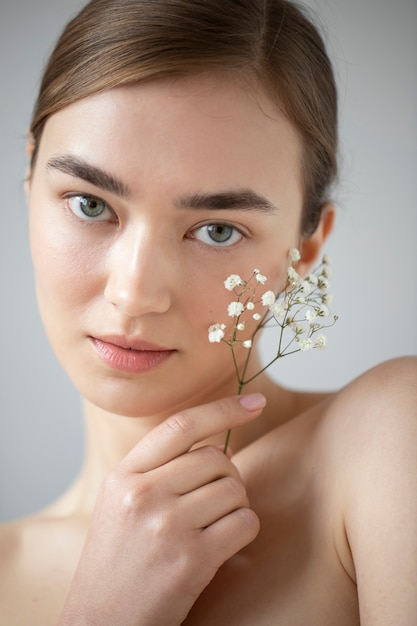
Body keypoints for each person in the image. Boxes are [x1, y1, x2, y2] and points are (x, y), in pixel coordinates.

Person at [0, 0, 416, 623]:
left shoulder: (387, 445)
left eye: (217, 229)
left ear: (306, 246)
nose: (135, 293)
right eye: (90, 205)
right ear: (31, 181)